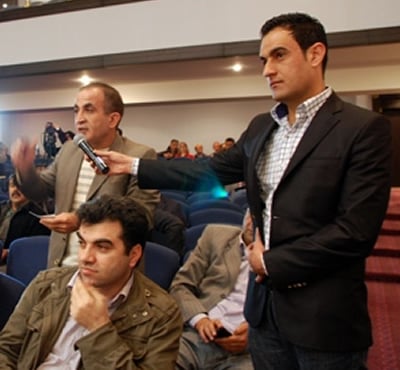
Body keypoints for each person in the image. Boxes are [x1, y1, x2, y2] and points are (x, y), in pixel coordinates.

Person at [89, 12, 392, 370]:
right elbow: (207, 170)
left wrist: (269, 262)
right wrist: (134, 165)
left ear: (315, 54)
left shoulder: (362, 128)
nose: (267, 70)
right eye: (263, 60)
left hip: (323, 317)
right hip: (263, 314)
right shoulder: (263, 126)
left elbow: (355, 231)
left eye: (279, 55)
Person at [0, 195, 182, 369]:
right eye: (82, 243)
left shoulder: (162, 314)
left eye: (102, 247)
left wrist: (99, 329)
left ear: (133, 255)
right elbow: (6, 350)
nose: (86, 257)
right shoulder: (47, 283)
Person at [11, 81, 160, 268]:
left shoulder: (139, 156)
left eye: (89, 110)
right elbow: (41, 191)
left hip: (110, 272)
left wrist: (81, 219)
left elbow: (141, 218)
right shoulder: (68, 151)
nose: (79, 119)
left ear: (113, 119)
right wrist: (25, 169)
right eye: (76, 110)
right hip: (61, 266)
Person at [170, 212, 254, 370]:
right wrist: (200, 320)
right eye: (251, 214)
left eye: (260, 217)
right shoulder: (215, 236)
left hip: (245, 354)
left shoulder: (285, 257)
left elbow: (289, 314)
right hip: (197, 339)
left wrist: (254, 335)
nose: (252, 222)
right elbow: (180, 286)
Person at [0, 174, 51, 263]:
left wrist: (9, 252)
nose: (15, 190)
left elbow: (34, 250)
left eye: (20, 187)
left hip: (13, 262)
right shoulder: (1, 207)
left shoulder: (38, 217)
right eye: (12, 186)